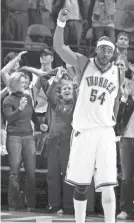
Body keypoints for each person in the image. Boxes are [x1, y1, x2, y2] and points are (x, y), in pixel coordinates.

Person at [53, 8, 124, 223]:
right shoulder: (84, 63)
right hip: (83, 132)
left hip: (105, 133)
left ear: (113, 53)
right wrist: (60, 23)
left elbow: (117, 103)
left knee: (108, 185)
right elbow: (59, 47)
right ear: (96, 49)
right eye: (102, 49)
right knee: (81, 185)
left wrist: (116, 129)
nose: (105, 54)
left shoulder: (118, 72)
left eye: (108, 51)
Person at [3, 71, 46, 211]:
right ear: (14, 83)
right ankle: (13, 204)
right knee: (14, 171)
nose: (24, 84)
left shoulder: (27, 97)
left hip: (28, 137)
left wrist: (41, 125)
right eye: (21, 82)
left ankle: (31, 204)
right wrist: (19, 108)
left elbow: (33, 116)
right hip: (14, 137)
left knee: (31, 172)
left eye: (25, 82)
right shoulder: (7, 100)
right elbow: (9, 118)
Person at [46, 67, 75, 214]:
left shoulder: (76, 105)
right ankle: (54, 204)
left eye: (70, 88)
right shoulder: (56, 103)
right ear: (60, 91)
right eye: (64, 88)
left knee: (68, 175)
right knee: (52, 174)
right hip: (53, 143)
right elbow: (49, 93)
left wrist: (73, 76)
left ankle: (69, 206)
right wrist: (57, 79)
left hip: (67, 145)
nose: (67, 90)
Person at [116, 73, 134, 220]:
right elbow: (117, 117)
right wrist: (125, 98)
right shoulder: (126, 100)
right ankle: (124, 209)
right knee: (126, 177)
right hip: (126, 139)